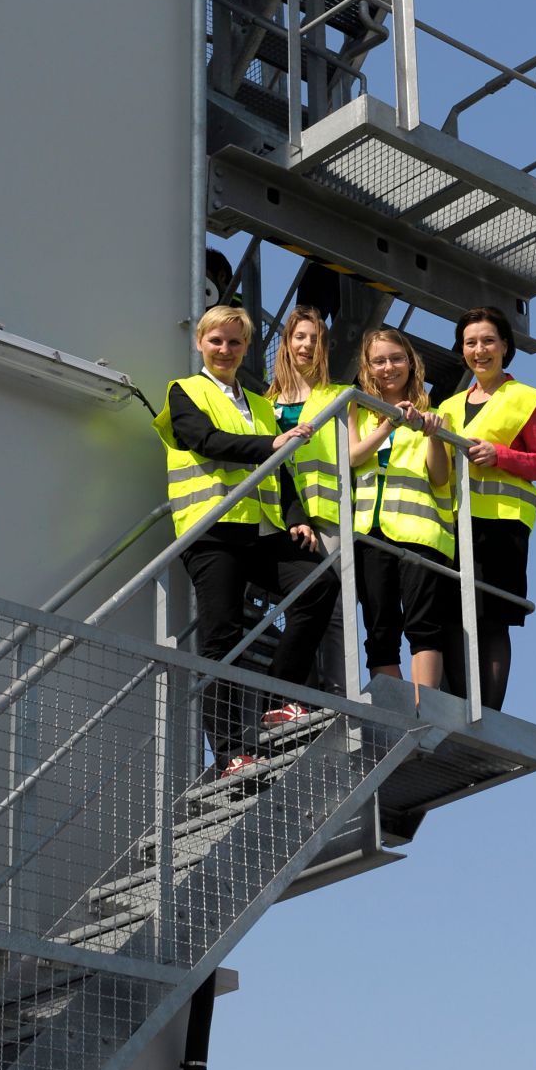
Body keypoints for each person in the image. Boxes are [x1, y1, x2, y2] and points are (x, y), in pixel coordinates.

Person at [153, 305, 339, 779]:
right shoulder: (184, 391)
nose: (225, 349)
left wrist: (297, 518)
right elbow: (207, 441)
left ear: (246, 348)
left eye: (235, 342)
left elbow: (282, 467)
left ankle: (278, 698)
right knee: (222, 638)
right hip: (212, 531)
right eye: (216, 341)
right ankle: (230, 753)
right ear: (200, 342)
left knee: (318, 585)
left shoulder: (258, 403)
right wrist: (269, 445)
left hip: (260, 529)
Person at [438, 307, 536, 710]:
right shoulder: (448, 406)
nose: (480, 350)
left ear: (505, 346)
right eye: (471, 342)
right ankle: (460, 705)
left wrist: (500, 455)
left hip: (503, 524)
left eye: (488, 341)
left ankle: (488, 714)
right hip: (454, 523)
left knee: (492, 619)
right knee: (451, 615)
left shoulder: (528, 399)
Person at [349, 327, 455, 694]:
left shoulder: (436, 416)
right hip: (369, 532)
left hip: (419, 533)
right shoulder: (357, 409)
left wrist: (433, 436)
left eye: (396, 359)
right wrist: (388, 423)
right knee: (380, 629)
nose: (388, 367)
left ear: (411, 362)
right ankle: (392, 709)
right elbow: (353, 457)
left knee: (422, 625)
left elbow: (440, 478)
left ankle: (422, 708)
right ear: (367, 367)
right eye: (379, 361)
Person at [266, 306, 349, 693]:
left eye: (315, 339)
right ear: (286, 343)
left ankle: (336, 693)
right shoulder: (264, 403)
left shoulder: (339, 397)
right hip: (278, 514)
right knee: (300, 607)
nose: (307, 345)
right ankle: (302, 692)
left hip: (326, 512)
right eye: (300, 337)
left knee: (332, 610)